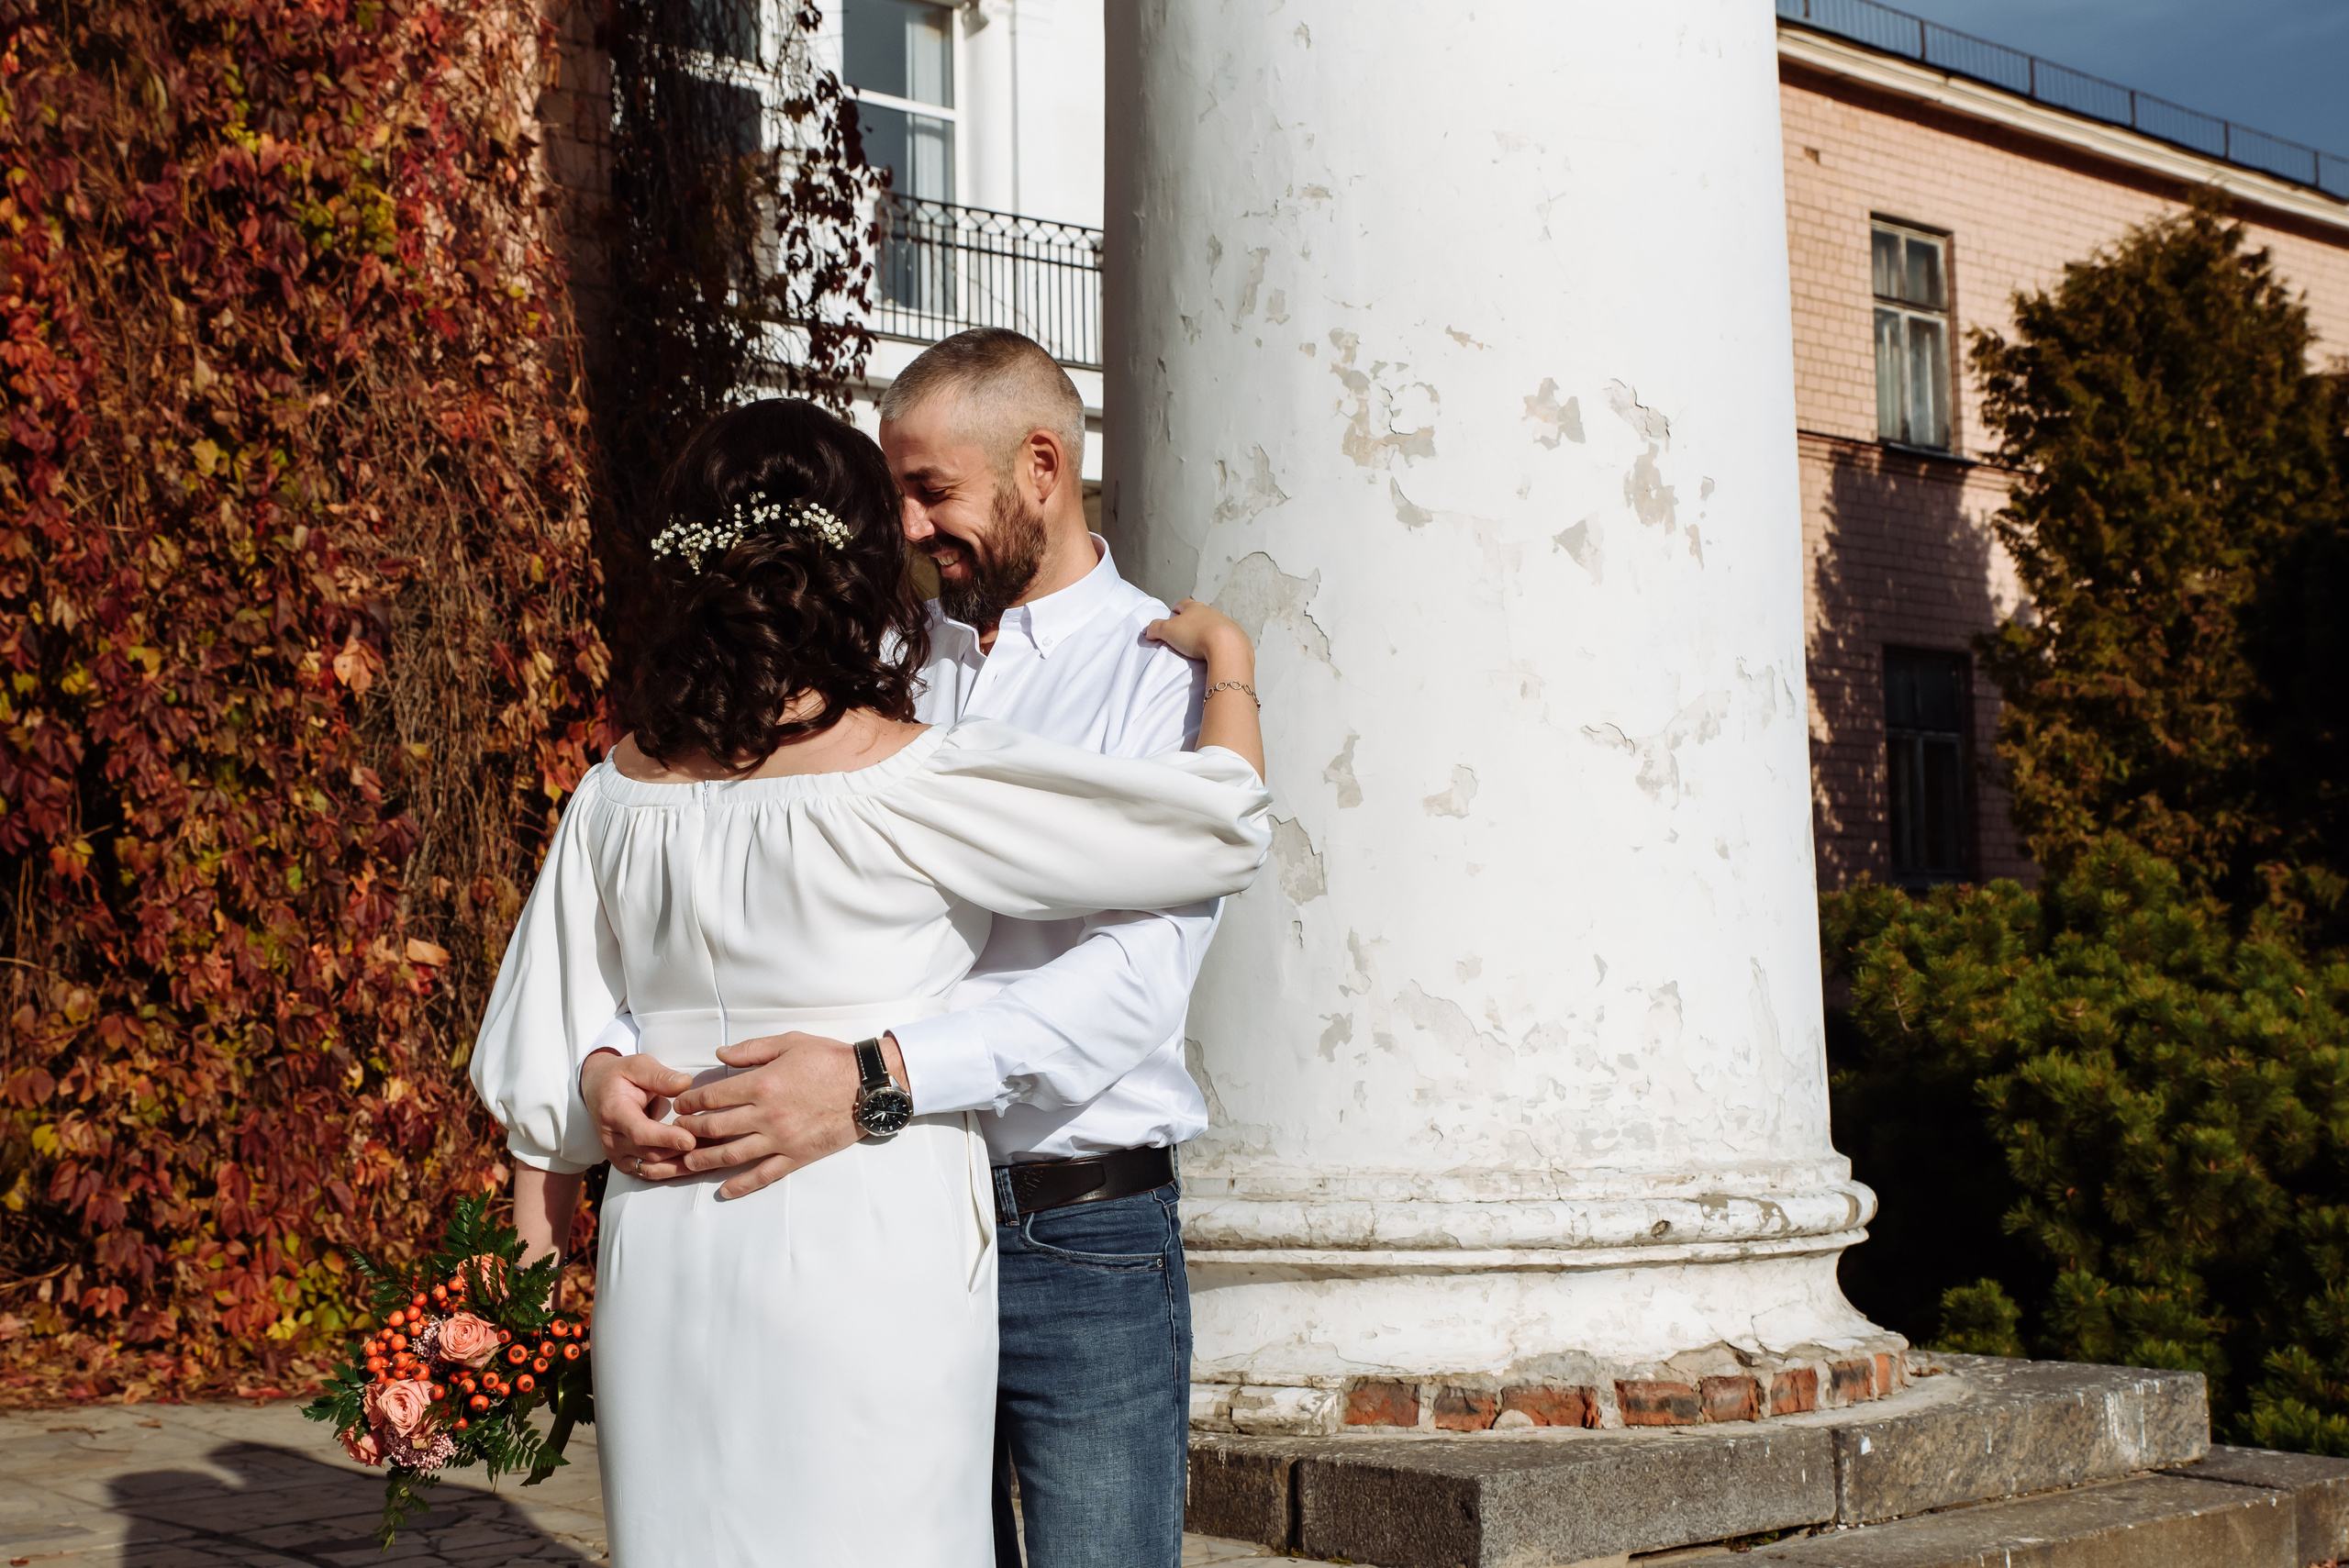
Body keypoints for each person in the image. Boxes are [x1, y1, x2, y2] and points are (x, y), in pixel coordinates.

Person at [467, 394, 1269, 1567]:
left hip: (670, 1240)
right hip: (864, 1229)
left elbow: (543, 1052)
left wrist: (598, 1078)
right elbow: (1218, 828)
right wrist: (1232, 668)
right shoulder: (912, 778)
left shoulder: (613, 795)